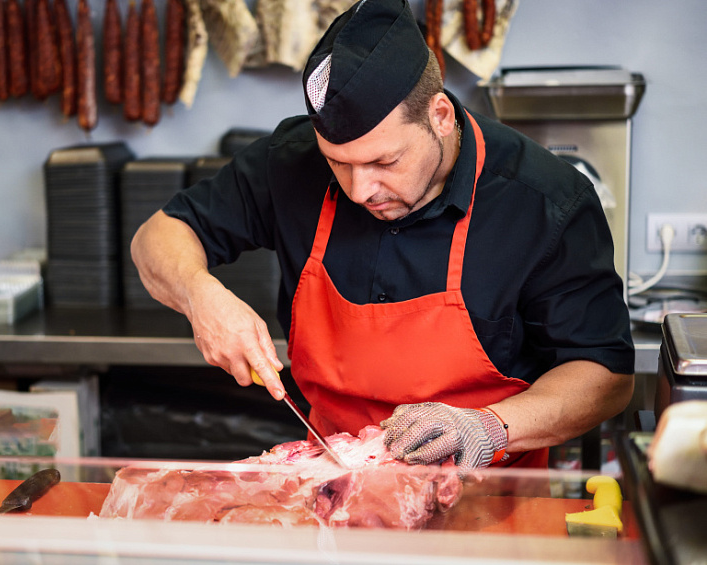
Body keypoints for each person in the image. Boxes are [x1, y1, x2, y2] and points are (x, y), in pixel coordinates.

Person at [130, 0, 635, 470]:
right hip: (336, 491)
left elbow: (605, 375)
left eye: (384, 162)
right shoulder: (291, 162)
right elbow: (158, 236)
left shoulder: (544, 200)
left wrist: (487, 427)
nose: (359, 190)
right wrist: (200, 296)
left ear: (439, 116)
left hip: (490, 497)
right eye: (338, 164)